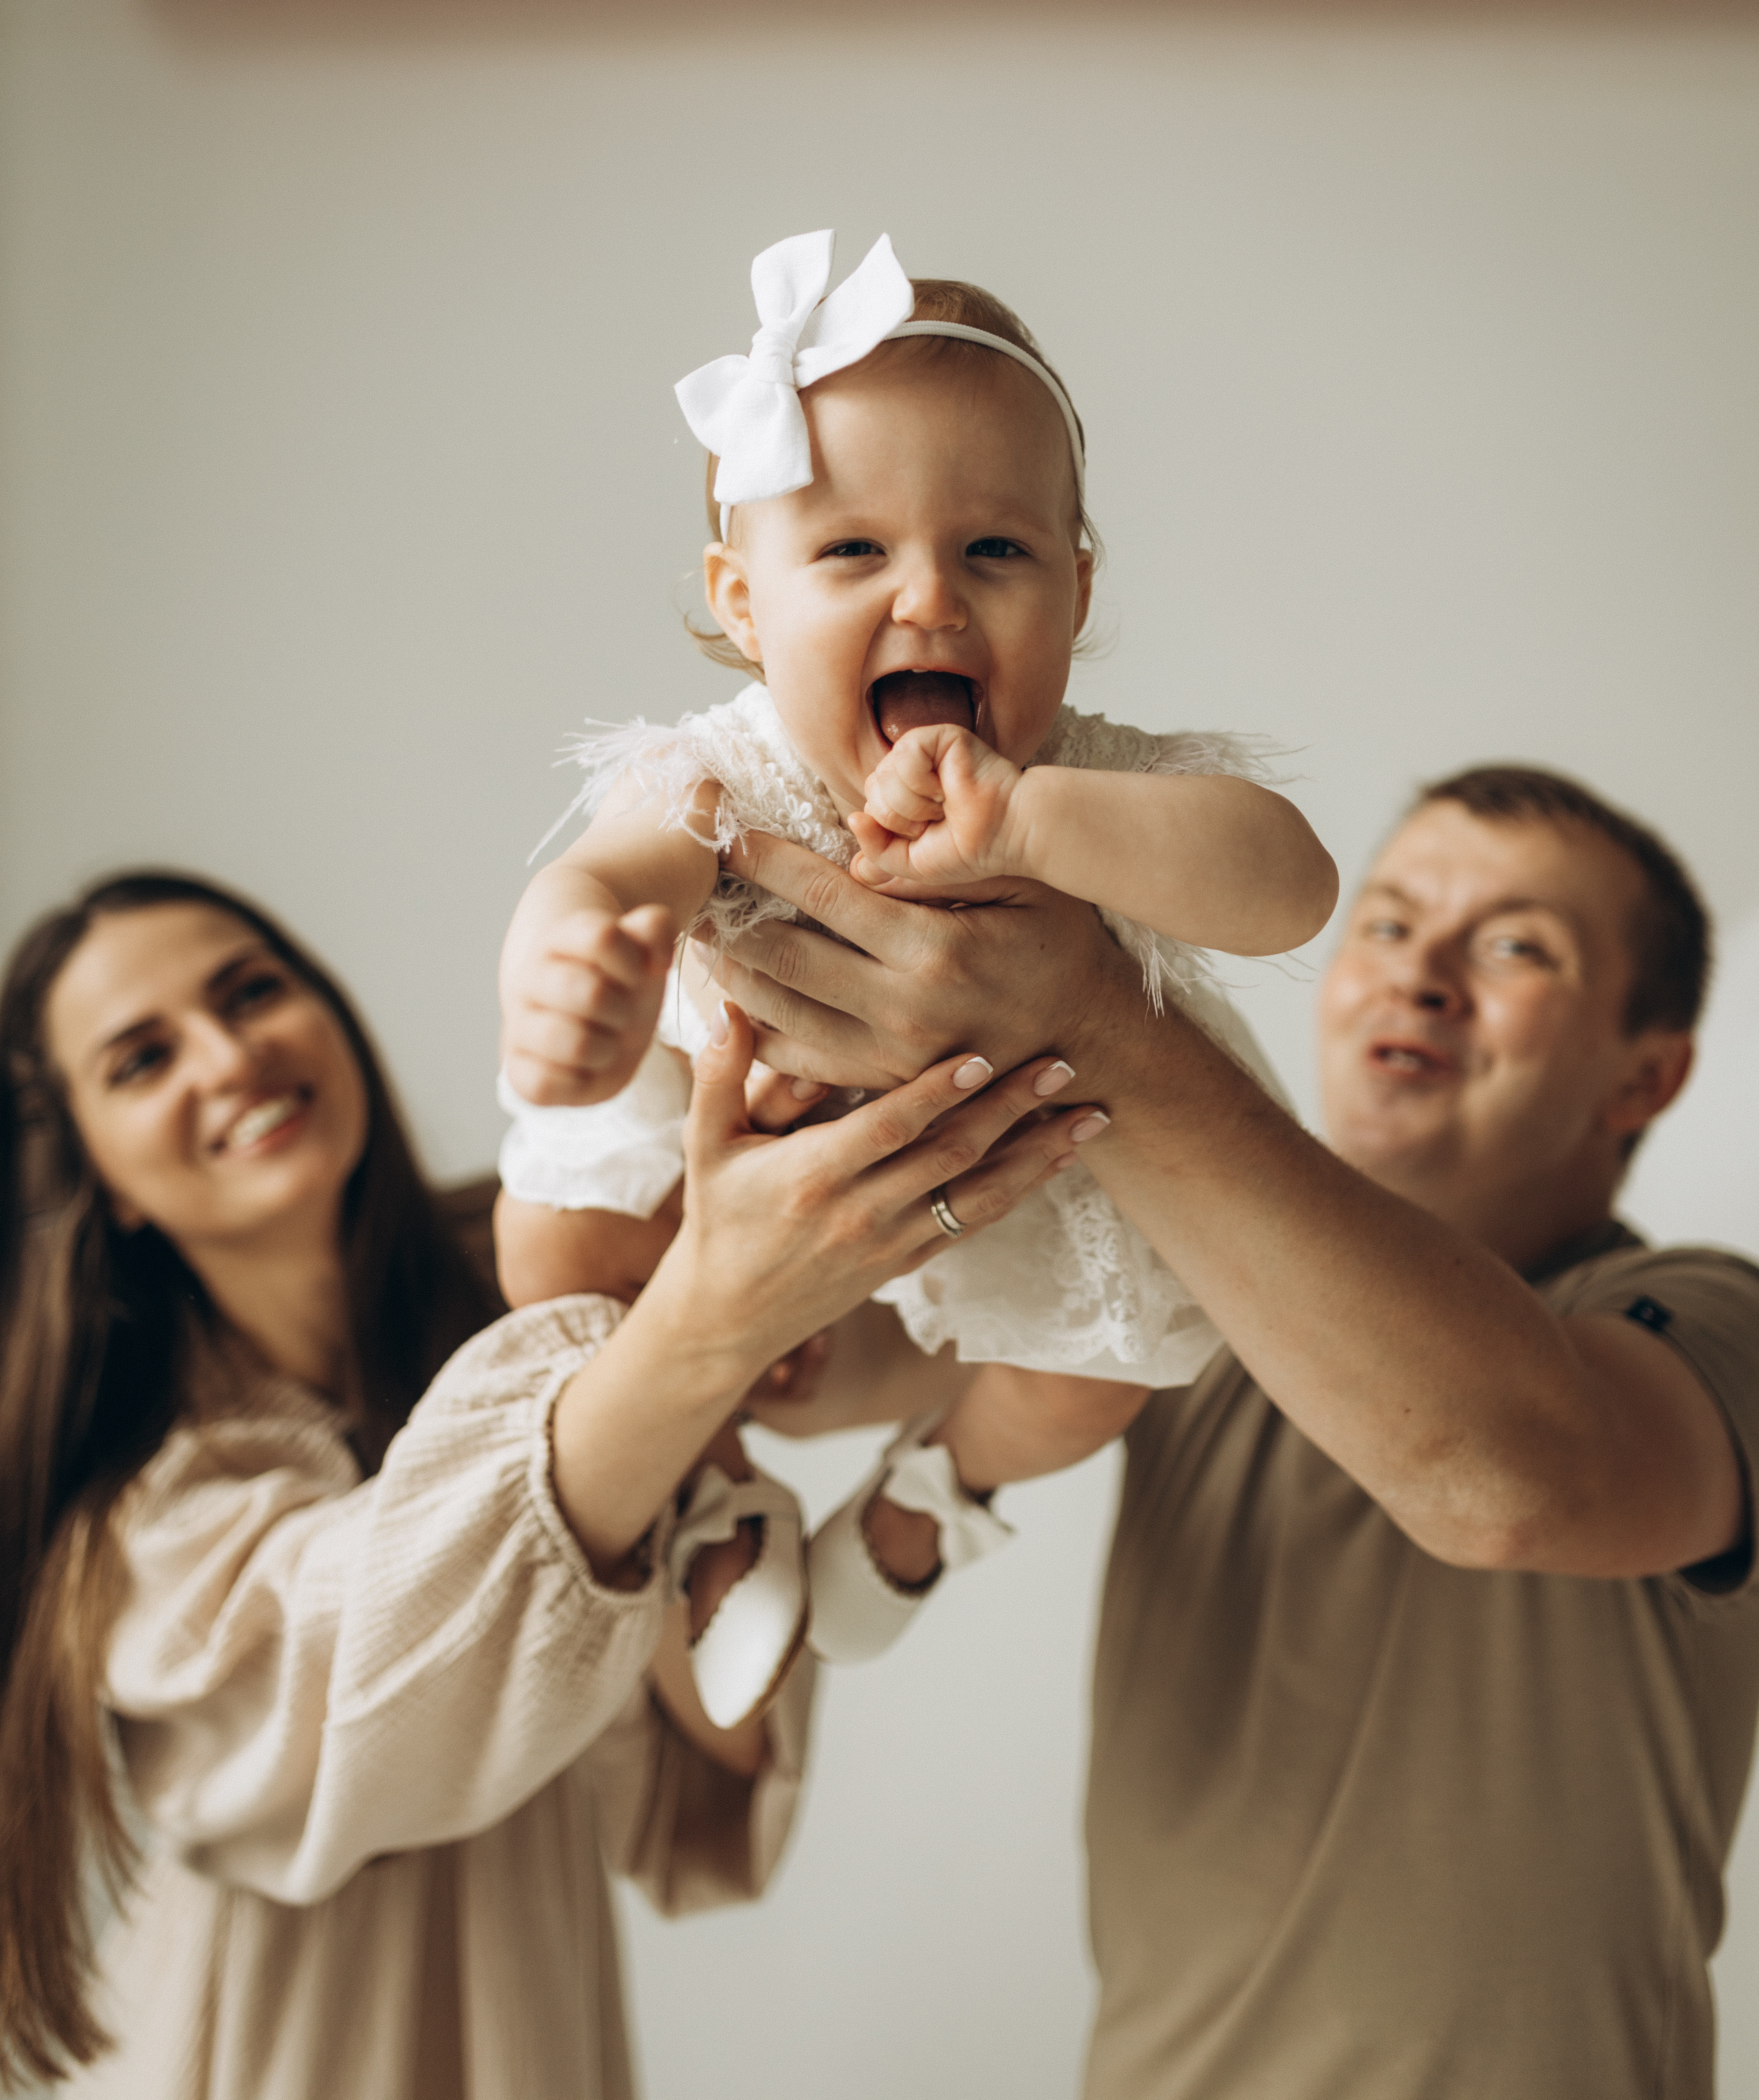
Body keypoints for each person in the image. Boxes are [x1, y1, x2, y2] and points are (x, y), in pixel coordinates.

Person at [695, 765, 1759, 2100]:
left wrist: (1090, 1013)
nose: (1420, 973)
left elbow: (1503, 1481)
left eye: (1511, 945)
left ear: (1644, 1075)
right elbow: (798, 1357)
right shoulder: (1166, 1277)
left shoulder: (1714, 1326)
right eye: (1382, 923)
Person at [0, 868, 1084, 2100]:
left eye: (250, 992)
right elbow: (376, 1668)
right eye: (141, 1060)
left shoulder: (558, 1278)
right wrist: (691, 1333)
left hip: (535, 2032)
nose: (227, 1056)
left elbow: (720, 1744)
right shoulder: (145, 1512)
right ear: (103, 1182)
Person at [494, 227, 1336, 1693]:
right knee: (554, 1245)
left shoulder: (1086, 782)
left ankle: (927, 1499)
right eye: (851, 551)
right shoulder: (725, 778)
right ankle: (711, 1490)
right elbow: (599, 872)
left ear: (1074, 594)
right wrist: (568, 963)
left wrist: (1037, 818)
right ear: (745, 604)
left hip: (1023, 1152)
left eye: (993, 549)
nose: (931, 598)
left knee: (1096, 1378)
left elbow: (1288, 885)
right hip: (738, 1155)